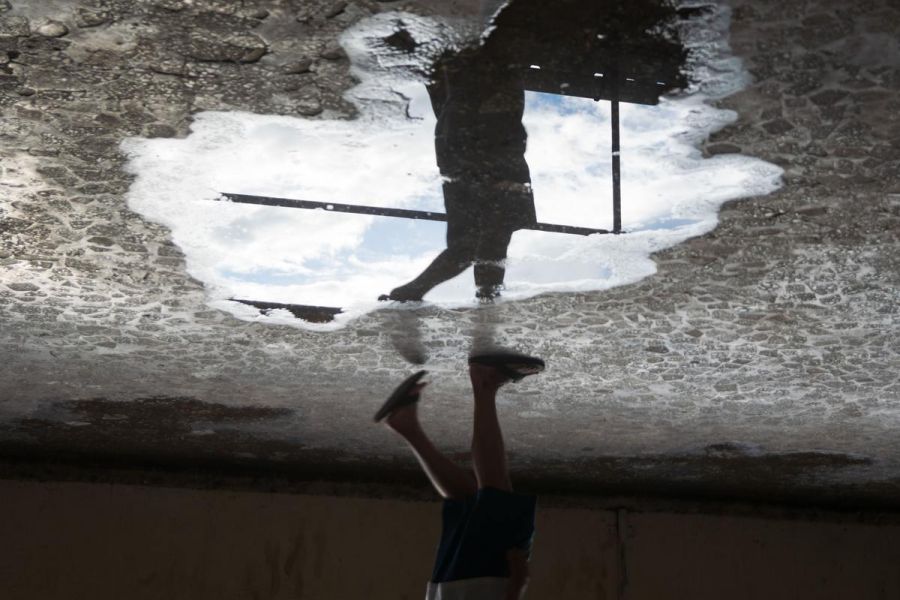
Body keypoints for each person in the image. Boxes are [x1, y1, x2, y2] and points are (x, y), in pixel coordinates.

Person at [374, 353, 546, 599]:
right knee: (469, 503)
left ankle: (486, 382)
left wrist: (517, 586)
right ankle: (406, 424)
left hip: (479, 589)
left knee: (496, 496)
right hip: (446, 593)